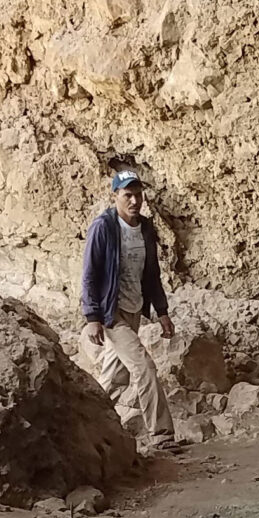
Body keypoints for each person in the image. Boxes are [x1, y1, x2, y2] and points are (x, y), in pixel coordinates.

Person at [80, 167, 175, 446]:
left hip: (134, 308)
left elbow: (152, 274)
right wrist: (92, 316)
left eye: (138, 195)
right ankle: (162, 435)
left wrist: (162, 312)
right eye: (128, 195)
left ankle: (85, 423)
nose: (134, 201)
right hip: (112, 313)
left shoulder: (145, 228)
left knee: (115, 376)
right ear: (116, 196)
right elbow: (90, 274)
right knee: (143, 366)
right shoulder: (104, 227)